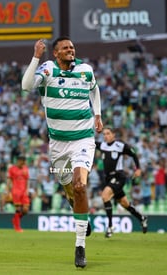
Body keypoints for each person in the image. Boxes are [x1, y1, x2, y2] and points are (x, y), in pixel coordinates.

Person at [21, 36, 103, 268]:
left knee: (80, 185)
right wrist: (37, 56)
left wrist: (97, 114)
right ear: (55, 53)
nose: (70, 50)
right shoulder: (48, 69)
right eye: (65, 48)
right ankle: (74, 205)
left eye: (72, 47)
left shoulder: (85, 70)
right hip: (57, 145)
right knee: (69, 188)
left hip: (83, 140)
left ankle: (80, 247)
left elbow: (94, 91)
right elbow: (26, 86)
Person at [95, 127, 147, 238]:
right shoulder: (102, 145)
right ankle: (142, 218)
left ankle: (110, 226)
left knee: (105, 196)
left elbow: (133, 154)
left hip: (119, 176)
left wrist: (138, 168)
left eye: (108, 133)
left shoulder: (120, 146)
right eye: (104, 134)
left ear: (114, 135)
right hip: (109, 178)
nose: (106, 136)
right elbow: (89, 143)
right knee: (124, 203)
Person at [7, 155, 30, 232]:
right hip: (16, 191)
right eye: (22, 162)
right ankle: (17, 227)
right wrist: (8, 191)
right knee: (18, 209)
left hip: (24, 192)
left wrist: (27, 190)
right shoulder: (12, 169)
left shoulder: (25, 168)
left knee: (25, 210)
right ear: (18, 161)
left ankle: (14, 220)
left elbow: (27, 180)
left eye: (24, 162)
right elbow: (9, 181)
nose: (23, 164)